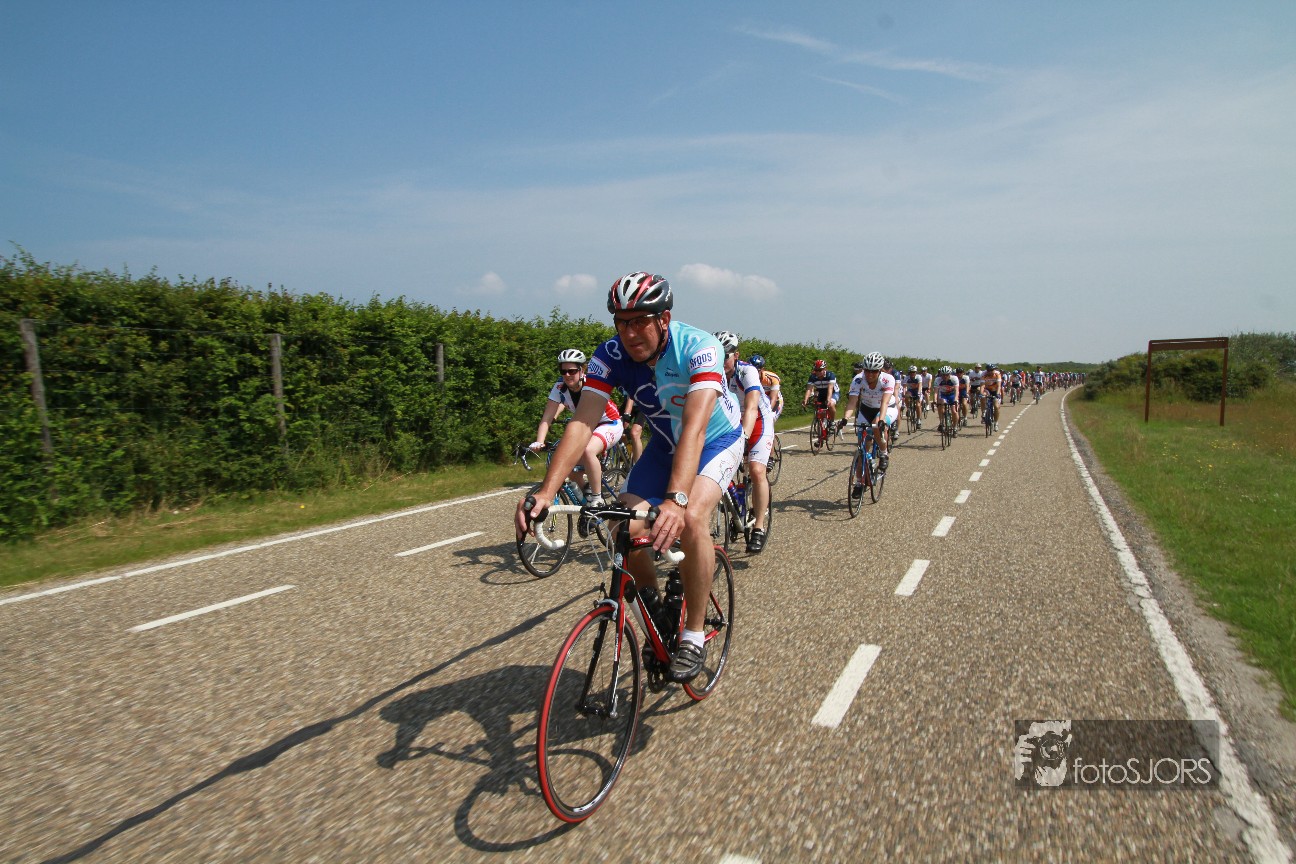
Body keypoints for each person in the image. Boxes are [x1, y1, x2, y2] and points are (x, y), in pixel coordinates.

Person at [516, 272, 743, 682]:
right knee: (622, 525)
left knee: (692, 518)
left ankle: (693, 634)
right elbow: (582, 423)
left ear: (664, 319)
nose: (630, 333)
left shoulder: (700, 348)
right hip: (665, 446)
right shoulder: (610, 355)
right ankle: (657, 611)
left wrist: (676, 500)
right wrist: (547, 492)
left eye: (640, 321)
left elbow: (694, 429)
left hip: (714, 442)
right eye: (621, 323)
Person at [528, 349, 625, 520]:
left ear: (582, 370)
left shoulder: (591, 384)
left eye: (572, 371)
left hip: (609, 423)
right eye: (563, 371)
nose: (567, 375)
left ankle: (597, 499)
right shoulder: (559, 387)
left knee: (588, 450)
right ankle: (587, 496)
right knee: (567, 463)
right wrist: (539, 441)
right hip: (587, 425)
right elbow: (547, 418)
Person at [715, 331, 774, 553]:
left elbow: (751, 407)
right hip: (733, 421)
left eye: (726, 356)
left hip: (758, 420)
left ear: (736, 355)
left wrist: (745, 437)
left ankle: (758, 527)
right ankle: (736, 500)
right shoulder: (713, 372)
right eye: (717, 355)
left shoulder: (746, 371)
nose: (721, 361)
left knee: (756, 471)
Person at [842, 352, 896, 497]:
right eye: (867, 371)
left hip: (886, 408)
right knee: (862, 449)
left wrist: (882, 420)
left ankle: (884, 454)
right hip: (866, 409)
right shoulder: (858, 379)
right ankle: (859, 482)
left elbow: (885, 402)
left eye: (874, 371)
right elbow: (852, 402)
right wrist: (845, 418)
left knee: (876, 424)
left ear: (880, 371)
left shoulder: (887, 379)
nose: (870, 374)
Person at [803, 359, 840, 438]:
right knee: (819, 408)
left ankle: (832, 422)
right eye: (816, 370)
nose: (817, 372)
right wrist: (805, 399)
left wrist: (828, 399)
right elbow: (809, 389)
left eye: (820, 370)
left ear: (824, 369)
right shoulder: (813, 377)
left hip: (833, 392)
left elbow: (830, 388)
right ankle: (823, 433)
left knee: (831, 404)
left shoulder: (830, 375)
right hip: (821, 392)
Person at [748, 354, 784, 418]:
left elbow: (773, 398)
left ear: (762, 369)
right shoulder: (746, 378)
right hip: (760, 401)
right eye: (750, 370)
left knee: (770, 418)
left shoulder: (772, 378)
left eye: (756, 371)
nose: (753, 373)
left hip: (775, 401)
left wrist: (767, 413)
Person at [981, 363, 1004, 429]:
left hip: (995, 390)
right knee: (983, 397)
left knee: (996, 406)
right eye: (989, 370)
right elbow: (982, 385)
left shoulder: (997, 374)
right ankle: (984, 412)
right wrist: (981, 393)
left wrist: (997, 394)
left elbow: (999, 386)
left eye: (992, 370)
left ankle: (996, 422)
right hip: (987, 389)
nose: (990, 372)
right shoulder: (983, 374)